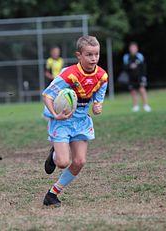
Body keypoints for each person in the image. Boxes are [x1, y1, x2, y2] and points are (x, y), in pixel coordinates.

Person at [42, 35, 108, 207]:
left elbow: (98, 96)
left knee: (79, 161)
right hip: (62, 119)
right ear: (79, 55)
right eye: (89, 55)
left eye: (96, 54)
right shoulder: (69, 74)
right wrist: (55, 115)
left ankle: (52, 194)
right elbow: (47, 95)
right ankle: (55, 153)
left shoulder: (102, 76)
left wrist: (97, 106)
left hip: (81, 121)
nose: (94, 59)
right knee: (63, 163)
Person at [123, 42, 151, 112]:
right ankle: (135, 106)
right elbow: (124, 67)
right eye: (131, 48)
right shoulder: (126, 57)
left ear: (137, 48)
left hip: (139, 77)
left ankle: (146, 105)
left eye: (134, 48)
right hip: (131, 78)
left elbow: (144, 67)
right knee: (133, 92)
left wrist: (144, 76)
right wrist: (130, 66)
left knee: (142, 90)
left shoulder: (140, 56)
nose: (133, 49)